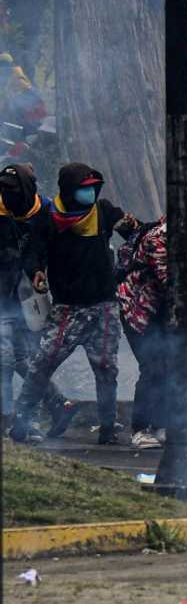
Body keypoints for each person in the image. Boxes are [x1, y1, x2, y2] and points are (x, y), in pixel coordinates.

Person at [10, 163, 137, 444]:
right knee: (41, 365)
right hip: (67, 310)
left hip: (104, 307)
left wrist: (132, 227)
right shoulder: (48, 217)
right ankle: (21, 421)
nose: (89, 193)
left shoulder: (103, 211)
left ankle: (107, 427)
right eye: (83, 189)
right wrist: (37, 273)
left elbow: (132, 232)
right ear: (68, 190)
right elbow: (33, 254)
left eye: (93, 188)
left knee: (106, 369)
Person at [0, 163, 77, 439]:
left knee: (28, 359)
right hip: (2, 296)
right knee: (6, 359)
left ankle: (37, 416)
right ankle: (15, 420)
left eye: (11, 190)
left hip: (30, 297)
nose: (6, 196)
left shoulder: (44, 211)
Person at [116, 215, 168, 450]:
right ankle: (139, 429)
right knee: (152, 367)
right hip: (137, 310)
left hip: (155, 311)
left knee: (164, 367)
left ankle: (159, 425)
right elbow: (169, 280)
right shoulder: (157, 239)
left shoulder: (174, 237)